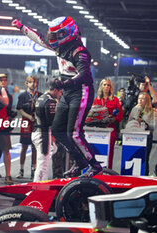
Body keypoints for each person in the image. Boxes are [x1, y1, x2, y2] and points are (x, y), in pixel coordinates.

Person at [12, 16, 103, 177]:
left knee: (74, 133)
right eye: (51, 34)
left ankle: (94, 165)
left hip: (81, 92)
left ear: (66, 33)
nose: (51, 38)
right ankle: (80, 162)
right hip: (68, 92)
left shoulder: (79, 51)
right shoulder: (59, 47)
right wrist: (21, 27)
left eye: (55, 35)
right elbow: (39, 39)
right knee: (58, 130)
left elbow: (83, 75)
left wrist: (63, 84)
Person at [32, 80, 63, 181]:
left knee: (53, 149)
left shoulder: (41, 97)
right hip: (43, 134)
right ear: (55, 90)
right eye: (60, 91)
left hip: (37, 131)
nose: (61, 94)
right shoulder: (50, 101)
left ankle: (38, 187)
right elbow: (51, 121)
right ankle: (38, 189)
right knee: (43, 165)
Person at [93, 78, 123, 169]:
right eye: (104, 85)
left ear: (111, 87)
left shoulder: (115, 100)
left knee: (109, 154)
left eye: (108, 85)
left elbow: (120, 116)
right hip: (98, 130)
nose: (106, 87)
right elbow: (91, 115)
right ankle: (97, 172)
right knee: (97, 152)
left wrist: (114, 118)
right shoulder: (96, 100)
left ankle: (108, 172)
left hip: (110, 130)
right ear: (101, 87)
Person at [16, 76, 40, 179]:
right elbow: (20, 110)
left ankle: (33, 169)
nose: (32, 84)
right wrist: (29, 117)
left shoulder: (40, 95)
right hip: (26, 123)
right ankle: (21, 170)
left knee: (34, 147)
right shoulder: (22, 95)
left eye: (34, 82)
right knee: (24, 147)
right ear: (26, 83)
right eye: (30, 82)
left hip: (36, 123)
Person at [127, 92, 157, 175]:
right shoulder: (134, 109)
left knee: (144, 159)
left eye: (142, 99)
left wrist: (143, 122)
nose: (140, 100)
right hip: (133, 137)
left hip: (146, 138)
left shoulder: (152, 112)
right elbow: (129, 122)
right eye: (139, 98)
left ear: (147, 100)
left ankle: (145, 175)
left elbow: (153, 127)